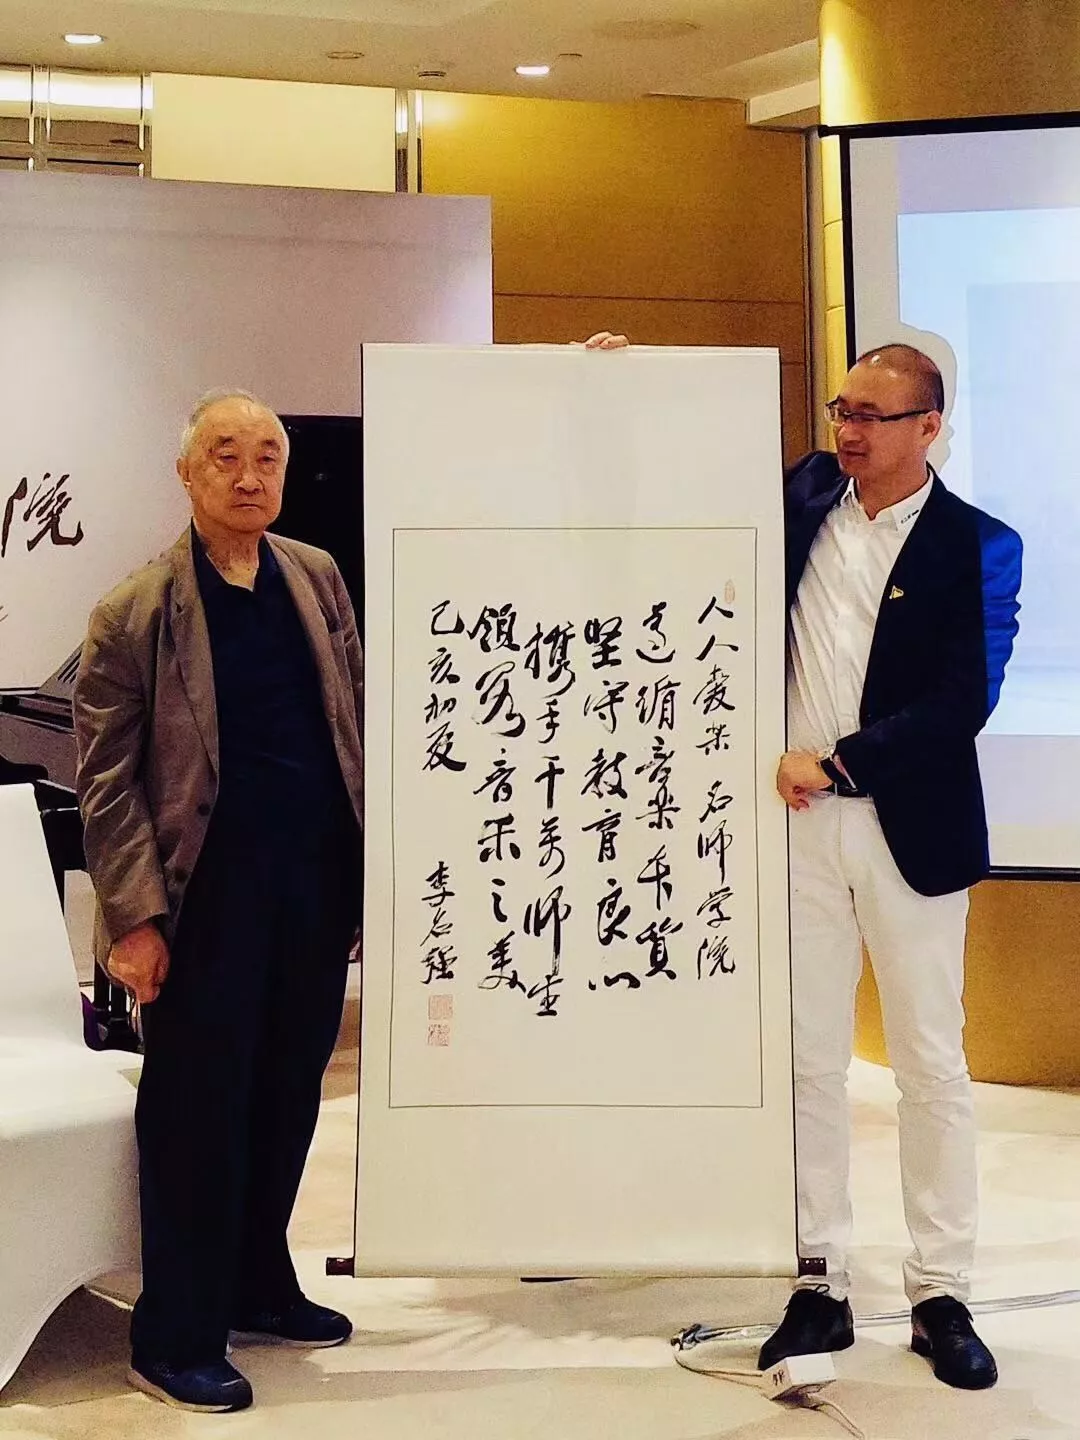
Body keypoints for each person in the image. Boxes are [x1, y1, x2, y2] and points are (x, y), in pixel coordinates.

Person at [585, 334, 1022, 1390]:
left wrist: (838, 763)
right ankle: (819, 1279)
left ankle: (941, 1290)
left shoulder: (980, 543)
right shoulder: (804, 497)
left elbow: (965, 699)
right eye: (840, 409)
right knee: (807, 1059)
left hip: (906, 829)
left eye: (871, 415)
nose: (847, 430)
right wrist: (627, 384)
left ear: (930, 428)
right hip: (793, 829)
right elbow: (692, 487)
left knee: (929, 1061)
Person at [74, 390, 365, 1413]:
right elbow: (108, 785)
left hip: (312, 887)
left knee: (287, 1096)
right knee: (196, 1114)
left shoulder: (316, 576)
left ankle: (257, 1283)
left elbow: (352, 724)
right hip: (203, 901)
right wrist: (134, 921)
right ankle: (175, 1334)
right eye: (225, 457)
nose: (250, 476)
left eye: (267, 457)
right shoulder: (134, 610)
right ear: (188, 474)